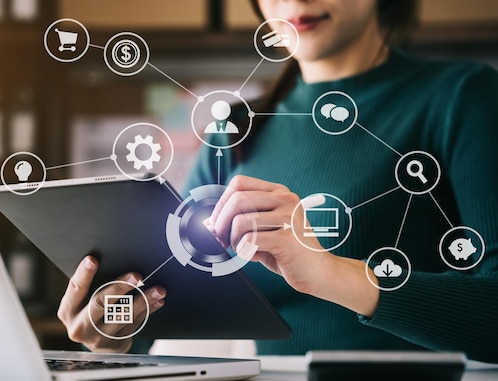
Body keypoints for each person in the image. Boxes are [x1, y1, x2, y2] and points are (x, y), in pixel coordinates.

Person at [57, 0, 498, 362]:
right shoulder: (234, 130)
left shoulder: (463, 97)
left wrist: (327, 272)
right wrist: (115, 327)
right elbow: (166, 296)